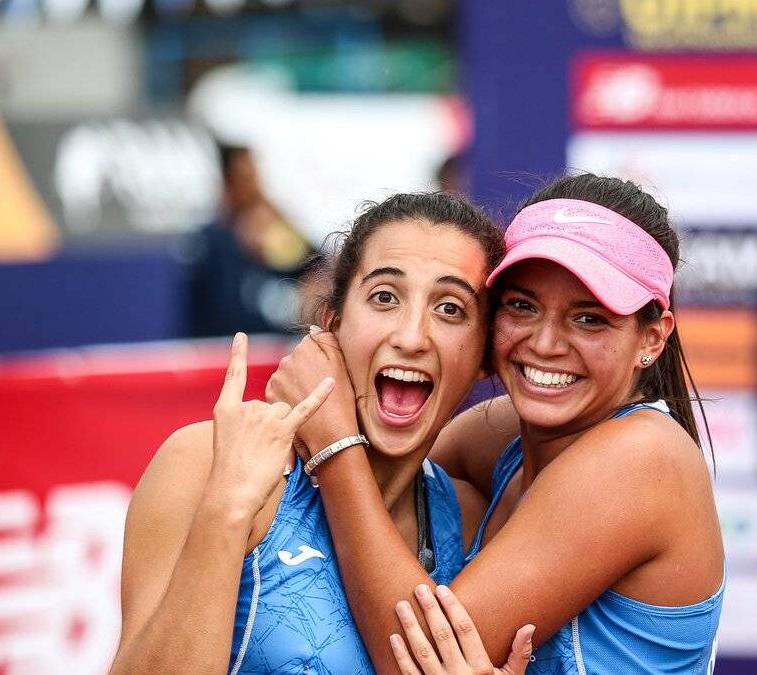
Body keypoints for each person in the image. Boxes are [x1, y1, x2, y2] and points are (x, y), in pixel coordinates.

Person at [268, 173, 725, 672]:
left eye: (589, 318)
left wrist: (335, 446)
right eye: (522, 306)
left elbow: (418, 662)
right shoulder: (503, 432)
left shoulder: (642, 458)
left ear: (652, 338)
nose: (545, 343)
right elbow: (391, 476)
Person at [111, 193, 516, 674]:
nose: (411, 337)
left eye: (450, 308)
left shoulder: (472, 525)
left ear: (485, 356)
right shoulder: (205, 462)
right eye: (385, 297)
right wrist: (227, 511)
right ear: (333, 324)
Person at [185, 144, 315, 337]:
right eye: (243, 178)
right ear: (228, 182)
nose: (251, 186)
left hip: (276, 342)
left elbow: (316, 266)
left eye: (254, 175)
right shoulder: (211, 240)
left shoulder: (281, 227)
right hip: (224, 343)